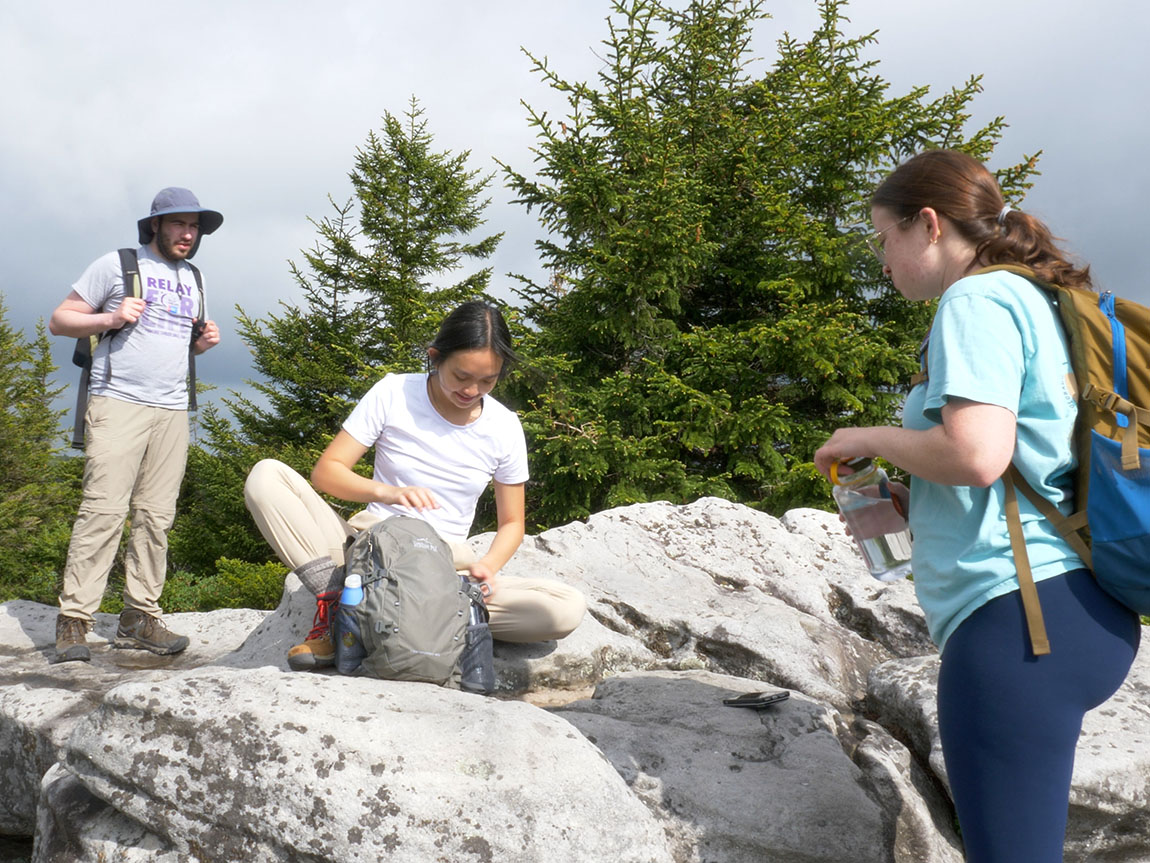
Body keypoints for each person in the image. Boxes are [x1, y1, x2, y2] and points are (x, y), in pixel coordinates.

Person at [813, 150, 1140, 862]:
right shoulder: (1033, 295)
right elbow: (1014, 463)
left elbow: (977, 453)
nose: (883, 259)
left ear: (927, 224)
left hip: (1019, 623)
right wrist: (911, 496)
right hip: (1073, 607)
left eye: (884, 237)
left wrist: (869, 435)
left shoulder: (975, 299)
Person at [243, 300, 586, 671]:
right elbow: (328, 472)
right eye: (461, 376)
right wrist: (386, 493)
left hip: (444, 570)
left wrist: (488, 566)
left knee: (564, 609)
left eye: (488, 381)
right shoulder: (394, 392)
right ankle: (344, 603)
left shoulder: (504, 426)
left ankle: (375, 614)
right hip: (368, 548)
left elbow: (513, 523)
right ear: (435, 357)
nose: (472, 390)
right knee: (266, 476)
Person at [49, 187, 224, 663]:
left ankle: (139, 616)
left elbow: (168, 341)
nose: (187, 234)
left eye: (194, 227)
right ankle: (74, 622)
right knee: (102, 512)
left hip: (171, 410)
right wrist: (109, 314)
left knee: (156, 517)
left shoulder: (195, 277)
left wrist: (200, 345)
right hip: (117, 402)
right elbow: (59, 319)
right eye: (178, 225)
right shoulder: (118, 264)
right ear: (155, 226)